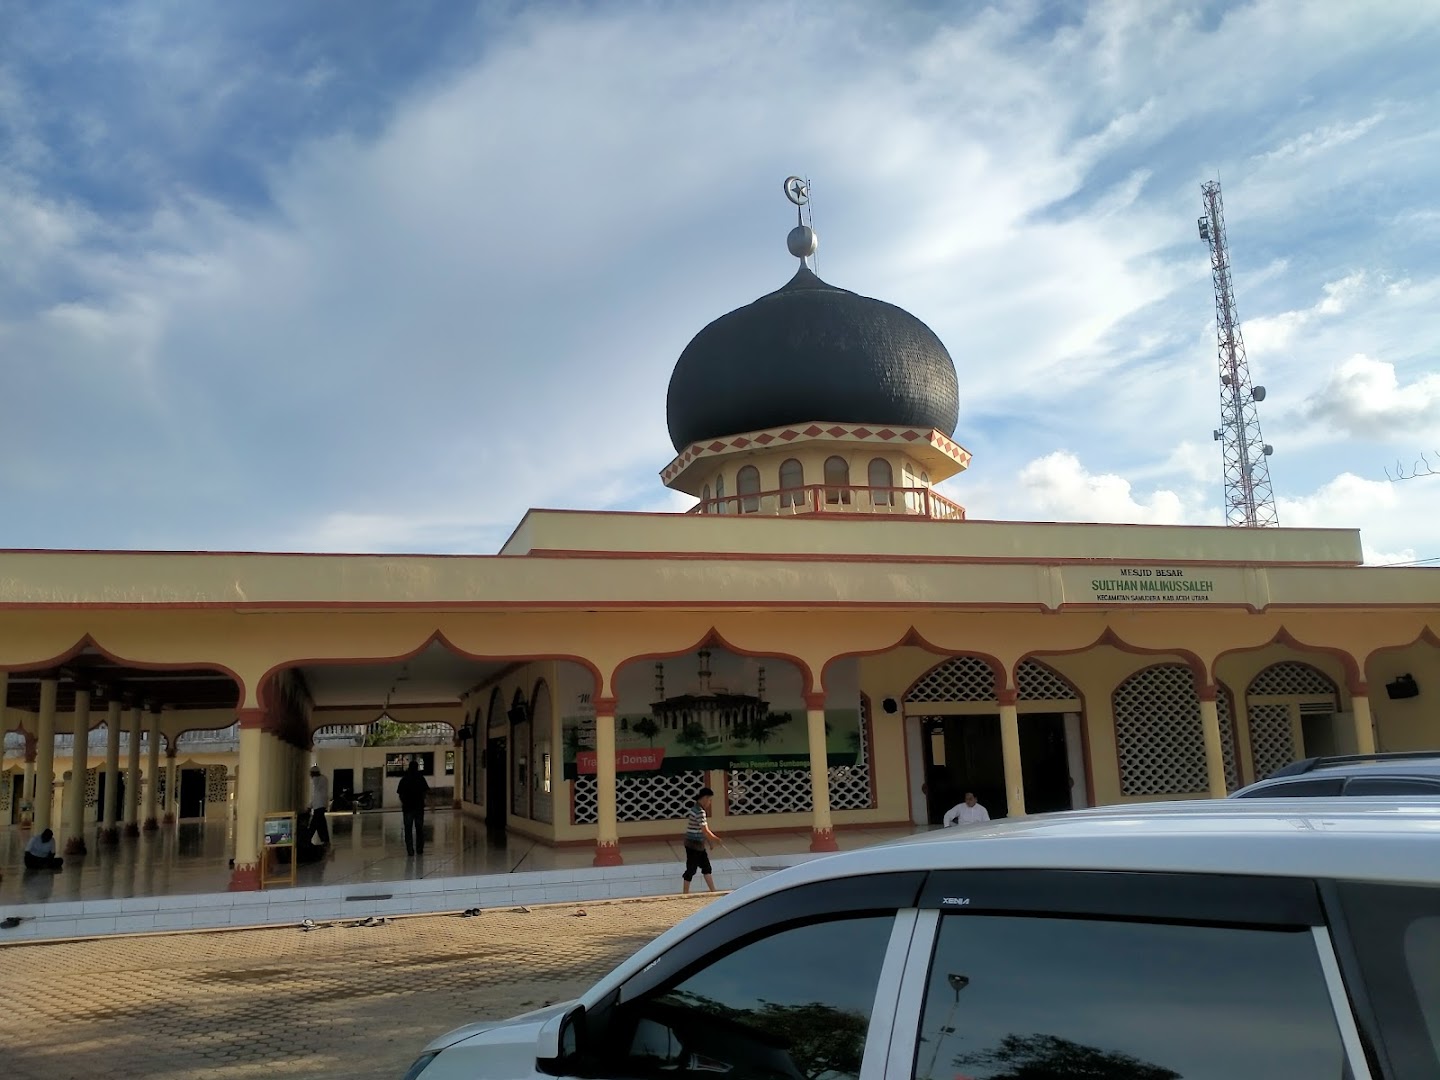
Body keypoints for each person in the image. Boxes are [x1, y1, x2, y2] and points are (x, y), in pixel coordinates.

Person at [681, 787, 721, 894]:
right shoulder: (699, 812)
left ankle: (713, 891)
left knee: (706, 867)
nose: (710, 802)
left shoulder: (696, 809)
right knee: (691, 869)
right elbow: (705, 830)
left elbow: (701, 830)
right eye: (709, 799)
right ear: (704, 798)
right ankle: (685, 893)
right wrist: (716, 839)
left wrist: (710, 842)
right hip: (693, 845)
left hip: (697, 844)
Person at [397, 757, 430, 856]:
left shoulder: (404, 779)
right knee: (419, 828)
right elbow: (425, 792)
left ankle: (410, 850)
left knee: (408, 829)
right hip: (419, 807)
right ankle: (419, 849)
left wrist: (404, 802)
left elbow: (400, 793)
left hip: (407, 808)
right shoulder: (421, 778)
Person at [305, 765, 330, 847]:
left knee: (314, 823)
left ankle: (307, 839)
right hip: (322, 804)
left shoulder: (316, 780)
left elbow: (315, 794)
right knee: (321, 823)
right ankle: (325, 839)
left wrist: (310, 806)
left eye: (311, 774)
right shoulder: (324, 779)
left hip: (318, 805)